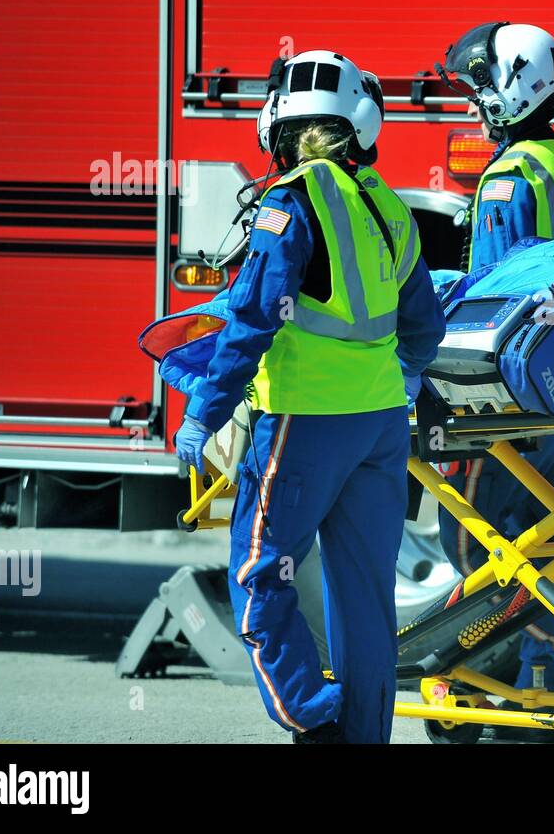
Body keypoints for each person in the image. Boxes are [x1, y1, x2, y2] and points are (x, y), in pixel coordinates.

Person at [173, 50, 445, 744]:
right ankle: (363, 735)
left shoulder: (287, 205)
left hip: (303, 426)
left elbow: (251, 323)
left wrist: (202, 413)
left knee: (260, 578)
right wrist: (405, 375)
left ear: (278, 127)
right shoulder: (390, 205)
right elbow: (425, 324)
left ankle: (311, 718)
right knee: (365, 600)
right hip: (382, 426)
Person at [434, 22, 554, 740]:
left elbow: (494, 292)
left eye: (481, 87)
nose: (475, 103)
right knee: (546, 534)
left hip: (514, 389)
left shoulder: (508, 177)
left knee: (474, 539)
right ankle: (527, 678)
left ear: (513, 85)